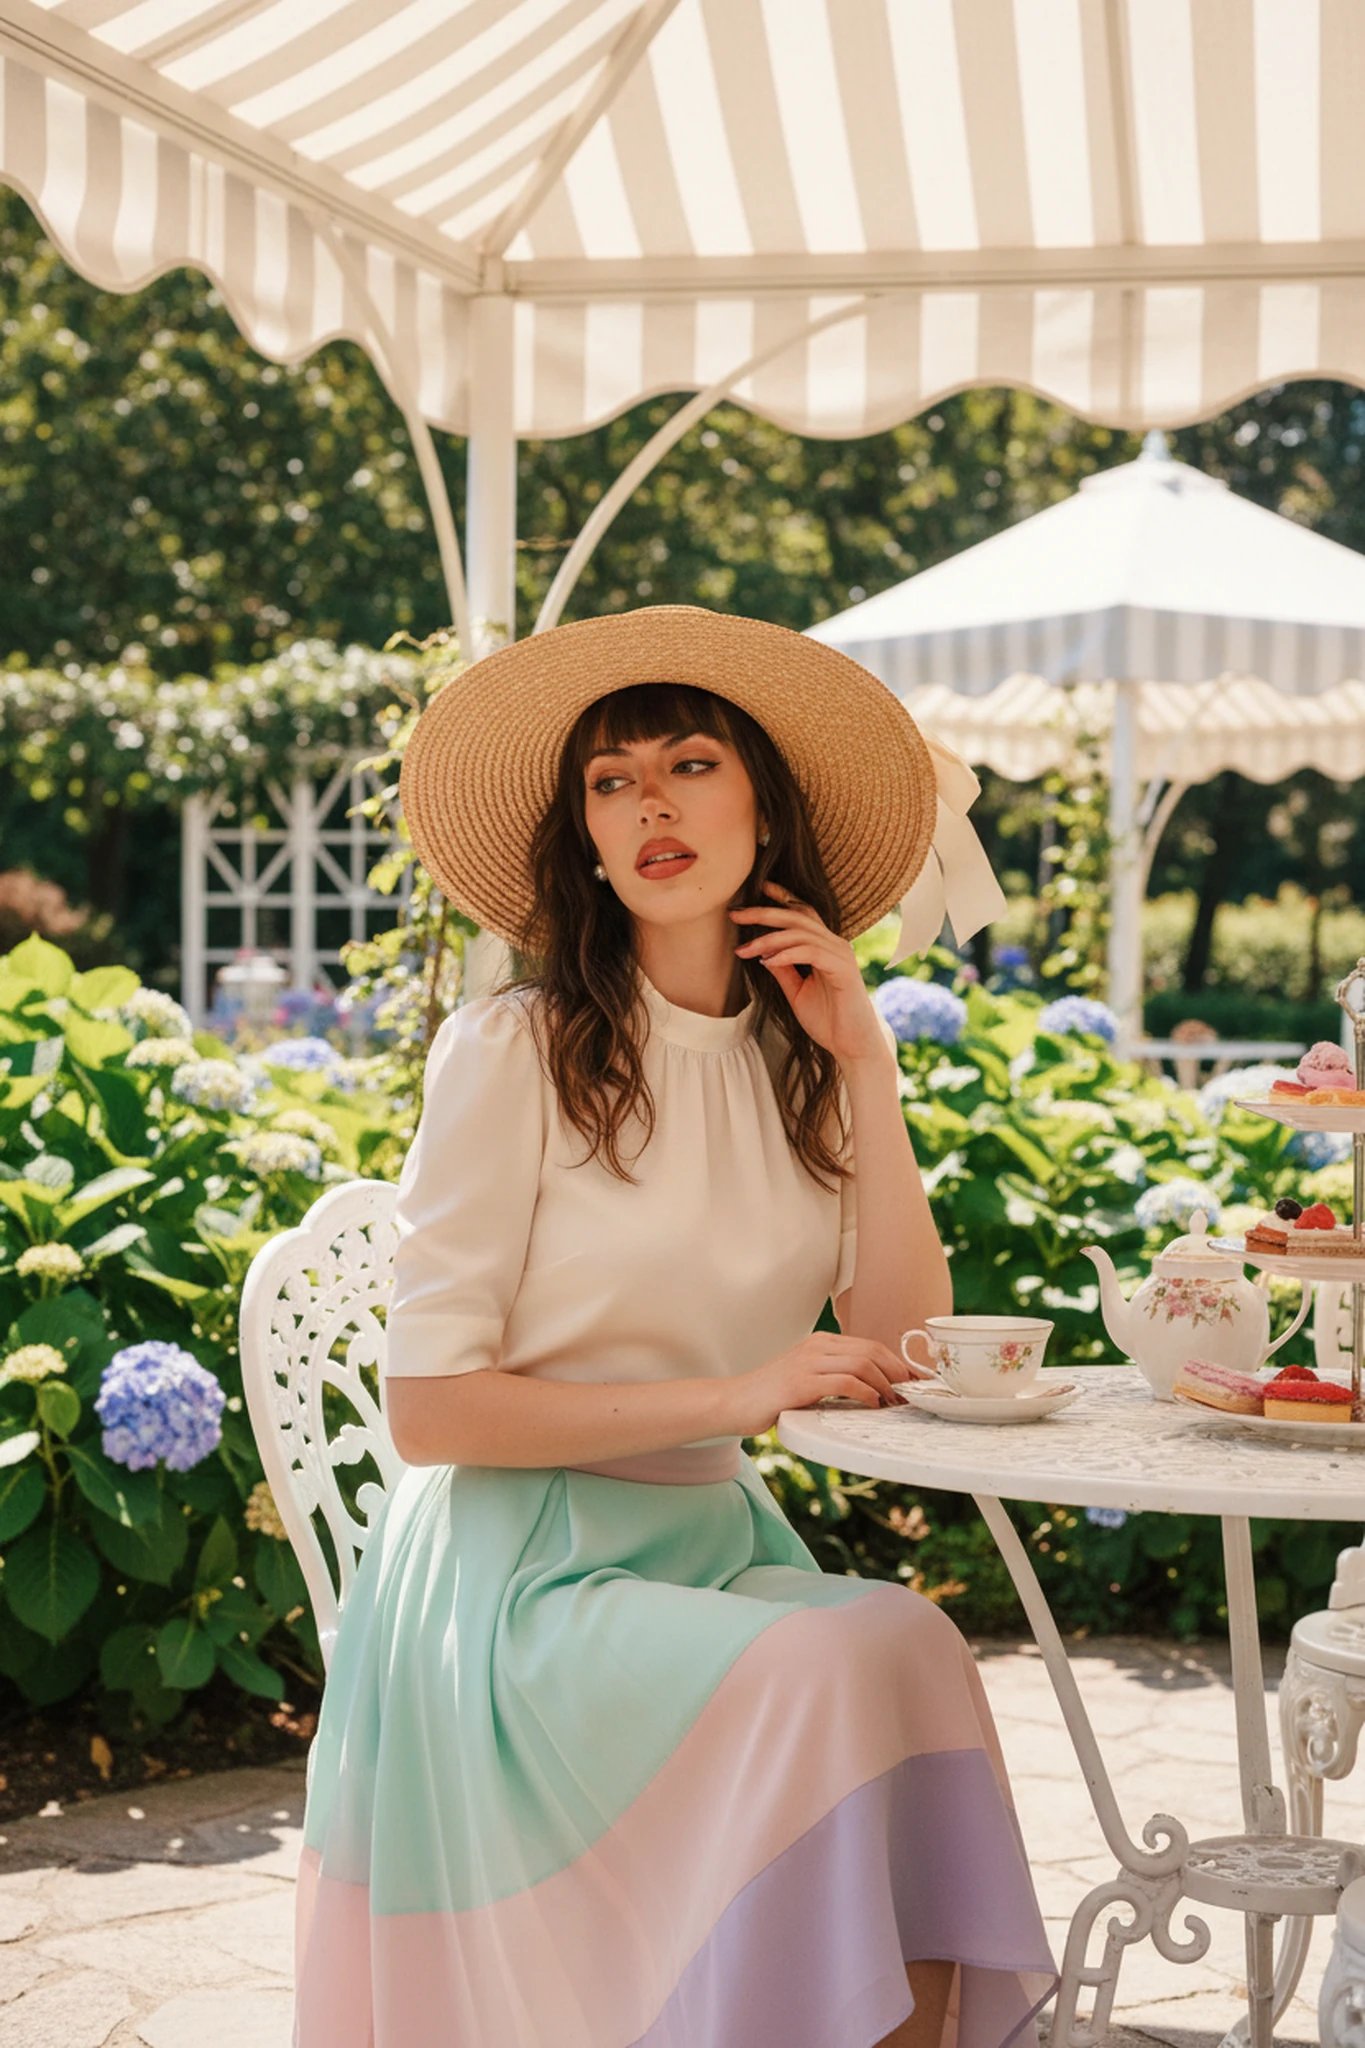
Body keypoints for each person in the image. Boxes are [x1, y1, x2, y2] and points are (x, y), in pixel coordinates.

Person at [292, 605, 1056, 2048]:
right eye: (612, 780)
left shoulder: (800, 1059)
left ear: (763, 810)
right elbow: (431, 1411)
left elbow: (904, 1343)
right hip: (514, 1579)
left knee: (907, 1646)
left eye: (691, 765)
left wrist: (867, 1068)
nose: (651, 804)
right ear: (584, 838)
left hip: (705, 1547)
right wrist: (739, 1392)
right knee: (822, 1667)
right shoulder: (513, 1050)